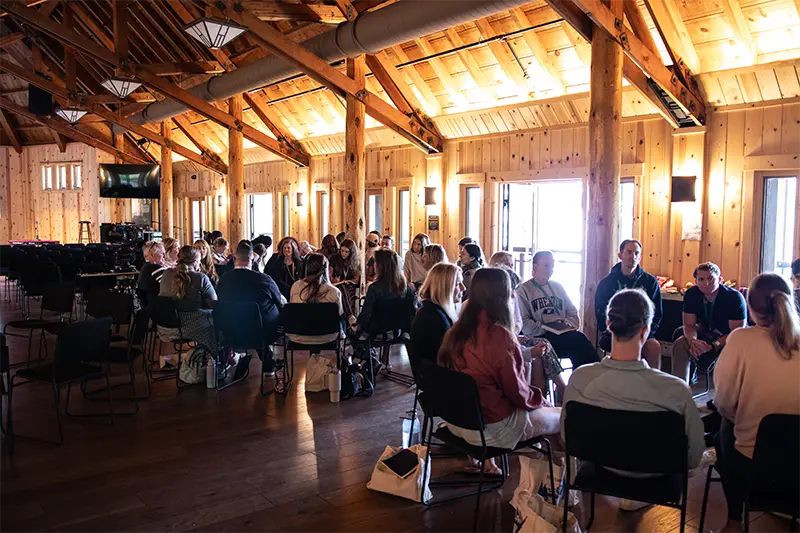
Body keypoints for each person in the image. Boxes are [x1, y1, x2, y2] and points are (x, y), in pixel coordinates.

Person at [562, 289, 704, 507]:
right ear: (645, 331)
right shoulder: (676, 390)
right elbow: (693, 457)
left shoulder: (580, 379)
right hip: (657, 475)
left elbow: (567, 436)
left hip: (602, 468)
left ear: (608, 324)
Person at [438, 268, 561, 460]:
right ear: (501, 296)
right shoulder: (499, 336)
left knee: (545, 415)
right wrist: (539, 399)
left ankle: (549, 473)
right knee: (563, 415)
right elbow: (517, 394)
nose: (513, 294)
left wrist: (535, 400)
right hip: (491, 428)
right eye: (509, 290)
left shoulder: (457, 330)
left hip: (456, 420)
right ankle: (560, 478)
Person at [713, 273, 800, 533]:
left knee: (724, 429)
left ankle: (734, 521)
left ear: (749, 306)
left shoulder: (741, 339)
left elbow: (723, 402)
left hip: (751, 462)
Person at [216, 243, 285, 392]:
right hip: (261, 333)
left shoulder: (222, 280)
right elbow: (280, 302)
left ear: (234, 259)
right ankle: (269, 365)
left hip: (230, 332)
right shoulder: (263, 279)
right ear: (252, 261)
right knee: (263, 316)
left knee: (251, 318)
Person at [518, 250, 599, 369]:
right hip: (540, 337)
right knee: (578, 342)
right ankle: (583, 380)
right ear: (535, 266)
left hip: (563, 333)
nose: (550, 269)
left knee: (580, 340)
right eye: (546, 265)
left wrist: (566, 324)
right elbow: (525, 325)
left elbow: (573, 314)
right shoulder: (523, 290)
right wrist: (546, 328)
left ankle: (588, 376)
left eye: (552, 265)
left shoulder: (558, 287)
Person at [670, 262, 746, 384]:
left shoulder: (734, 297)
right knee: (680, 343)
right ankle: (680, 387)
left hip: (729, 337)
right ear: (696, 281)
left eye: (711, 278)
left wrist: (714, 345)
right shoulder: (691, 294)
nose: (706, 283)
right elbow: (689, 325)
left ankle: (727, 391)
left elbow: (736, 333)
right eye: (701, 279)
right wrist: (693, 341)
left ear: (720, 279)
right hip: (705, 332)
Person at [595, 239, 663, 369]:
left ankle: (652, 386)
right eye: (629, 252)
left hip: (642, 332)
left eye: (637, 253)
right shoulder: (607, 283)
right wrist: (613, 330)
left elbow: (657, 313)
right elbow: (600, 313)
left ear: (640, 257)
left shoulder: (650, 282)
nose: (633, 256)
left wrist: (646, 332)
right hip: (615, 332)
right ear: (620, 255)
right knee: (623, 346)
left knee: (654, 347)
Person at [158, 246, 218, 350]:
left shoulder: (166, 274)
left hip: (164, 327)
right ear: (195, 262)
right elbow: (214, 304)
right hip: (188, 328)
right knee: (219, 321)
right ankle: (212, 359)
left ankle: (202, 357)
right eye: (199, 261)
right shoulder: (200, 277)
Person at [410, 263, 463, 366]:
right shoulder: (433, 318)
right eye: (457, 284)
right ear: (444, 287)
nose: (463, 288)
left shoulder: (434, 310)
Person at [355, 249, 417, 333]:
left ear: (380, 266)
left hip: (376, 331)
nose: (374, 265)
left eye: (375, 262)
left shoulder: (374, 288)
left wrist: (357, 324)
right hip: (397, 330)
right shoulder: (405, 287)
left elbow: (366, 316)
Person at [289, 254, 344, 346]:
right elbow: (339, 314)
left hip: (299, 335)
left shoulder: (296, 286)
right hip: (327, 336)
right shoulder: (334, 292)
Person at [330, 237, 360, 320]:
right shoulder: (334, 258)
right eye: (342, 250)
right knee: (341, 289)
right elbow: (330, 275)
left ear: (351, 253)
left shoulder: (354, 261)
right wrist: (333, 279)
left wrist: (347, 281)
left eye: (346, 252)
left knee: (344, 291)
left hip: (349, 285)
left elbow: (356, 279)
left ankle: (345, 321)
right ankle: (350, 318)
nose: (343, 253)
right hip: (336, 285)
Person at [137, 241, 167, 306]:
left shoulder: (146, 268)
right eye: (162, 253)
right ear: (152, 255)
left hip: (150, 307)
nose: (164, 256)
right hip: (159, 306)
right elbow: (172, 285)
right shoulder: (155, 268)